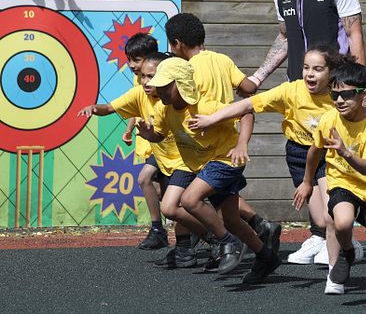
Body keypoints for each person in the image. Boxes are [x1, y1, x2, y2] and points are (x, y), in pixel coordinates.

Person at [244, 0, 366, 257]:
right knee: (301, 160)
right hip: (298, 90)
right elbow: (285, 38)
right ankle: (319, 232)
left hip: (334, 89)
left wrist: (357, 85)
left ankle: (342, 236)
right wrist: (257, 77)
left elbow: (354, 33)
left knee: (331, 161)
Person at [188, 45, 364, 265]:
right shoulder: (291, 91)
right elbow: (247, 104)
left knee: (331, 216)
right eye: (306, 67)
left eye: (318, 69)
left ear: (331, 72)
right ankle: (336, 238)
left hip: (329, 154)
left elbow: (361, 111)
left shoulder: (337, 95)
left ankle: (342, 255)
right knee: (320, 219)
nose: (310, 73)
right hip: (300, 154)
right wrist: (211, 119)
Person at [137, 57, 280, 284]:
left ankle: (226, 242)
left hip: (226, 159)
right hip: (205, 164)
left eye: (165, 86)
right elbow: (161, 135)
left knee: (190, 199)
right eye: (158, 85)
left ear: (181, 83)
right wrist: (149, 135)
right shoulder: (165, 110)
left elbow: (246, 113)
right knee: (232, 220)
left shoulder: (206, 105)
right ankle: (266, 255)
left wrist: (242, 144)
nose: (159, 90)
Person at [165, 13, 281, 262]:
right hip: (215, 144)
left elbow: (234, 110)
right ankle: (263, 250)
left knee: (190, 199)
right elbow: (248, 88)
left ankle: (225, 243)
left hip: (218, 146)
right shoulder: (221, 59)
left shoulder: (188, 72)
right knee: (228, 215)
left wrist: (222, 125)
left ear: (177, 44)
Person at [292, 62, 366, 304]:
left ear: (364, 94)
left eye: (346, 94)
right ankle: (346, 254)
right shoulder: (328, 119)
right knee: (341, 222)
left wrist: (345, 152)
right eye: (334, 94)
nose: (339, 100)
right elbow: (314, 152)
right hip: (342, 181)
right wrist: (306, 182)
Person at [79, 46, 172, 251]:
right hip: (159, 149)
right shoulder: (140, 91)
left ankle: (211, 234)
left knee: (181, 202)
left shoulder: (174, 97)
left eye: (149, 76)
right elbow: (114, 107)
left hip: (180, 153)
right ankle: (162, 231)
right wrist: (94, 108)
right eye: (143, 76)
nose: (145, 81)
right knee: (158, 190)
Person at [122, 34, 167, 250]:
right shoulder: (139, 79)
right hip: (148, 141)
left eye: (136, 60)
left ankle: (158, 229)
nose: (132, 65)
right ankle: (195, 231)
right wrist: (129, 129)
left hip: (163, 142)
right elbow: (136, 104)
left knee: (146, 179)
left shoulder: (162, 77)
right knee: (161, 192)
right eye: (129, 59)